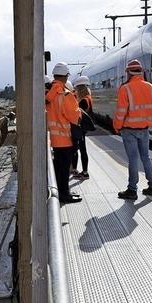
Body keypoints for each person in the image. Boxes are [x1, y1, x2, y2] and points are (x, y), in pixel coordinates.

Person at [113, 60, 152, 200]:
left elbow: (121, 111)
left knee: (133, 159)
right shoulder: (151, 88)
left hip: (129, 130)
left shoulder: (125, 88)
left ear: (128, 72)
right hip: (145, 129)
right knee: (146, 157)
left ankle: (132, 190)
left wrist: (117, 126)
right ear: (140, 72)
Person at [46, 62, 82, 204]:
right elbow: (74, 117)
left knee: (57, 168)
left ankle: (61, 192)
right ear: (66, 77)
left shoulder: (48, 93)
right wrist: (79, 110)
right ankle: (64, 195)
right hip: (65, 139)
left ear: (55, 76)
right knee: (64, 169)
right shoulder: (66, 95)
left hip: (52, 138)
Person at [71, 75, 93, 180]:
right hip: (83, 129)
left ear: (80, 88)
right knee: (82, 149)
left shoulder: (84, 100)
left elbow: (79, 115)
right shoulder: (88, 98)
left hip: (81, 129)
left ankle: (84, 172)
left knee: (82, 150)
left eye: (77, 89)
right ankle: (82, 171)